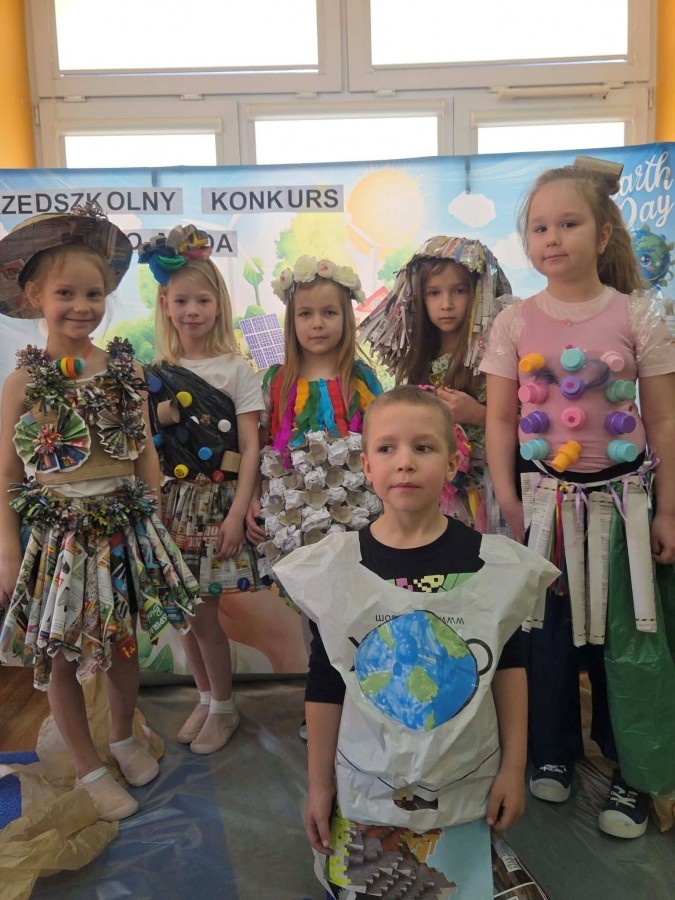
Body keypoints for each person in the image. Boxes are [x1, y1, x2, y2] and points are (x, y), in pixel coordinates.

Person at [273, 386, 558, 897]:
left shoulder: (491, 564)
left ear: (452, 463)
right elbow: (326, 684)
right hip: (366, 786)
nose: (404, 462)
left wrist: (514, 768)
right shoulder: (336, 570)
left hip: (463, 784)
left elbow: (509, 669)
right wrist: (318, 784)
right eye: (387, 448)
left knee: (452, 885)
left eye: (422, 447)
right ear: (366, 464)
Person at [480, 161, 675, 838]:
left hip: (625, 507)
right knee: (546, 635)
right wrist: (508, 501)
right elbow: (499, 419)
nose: (552, 238)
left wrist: (669, 509)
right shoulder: (513, 322)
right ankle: (551, 750)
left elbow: (664, 420)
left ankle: (632, 770)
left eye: (568, 223)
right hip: (543, 507)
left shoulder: (638, 315)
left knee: (628, 640)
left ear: (602, 234)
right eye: (539, 227)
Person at [0, 204, 199, 821]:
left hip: (124, 530)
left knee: (122, 643)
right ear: (35, 297)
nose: (82, 306)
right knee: (61, 655)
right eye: (65, 293)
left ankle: (120, 736)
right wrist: (7, 550)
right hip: (59, 539)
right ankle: (88, 770)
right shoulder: (21, 384)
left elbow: (145, 452)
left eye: (93, 293)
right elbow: (7, 475)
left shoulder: (125, 369)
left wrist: (156, 519)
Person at [140, 225, 265, 754]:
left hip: (217, 503)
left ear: (219, 305)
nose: (192, 311)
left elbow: (252, 448)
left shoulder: (238, 370)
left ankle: (225, 708)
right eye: (182, 301)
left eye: (203, 301)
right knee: (181, 612)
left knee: (204, 613)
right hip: (171, 504)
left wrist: (237, 513)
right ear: (165, 305)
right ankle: (207, 696)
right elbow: (147, 445)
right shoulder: (157, 373)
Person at [245, 254, 383, 581]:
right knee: (300, 597)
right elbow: (260, 445)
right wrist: (252, 498)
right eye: (306, 314)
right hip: (292, 517)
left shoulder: (361, 379)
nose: (317, 323)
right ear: (291, 321)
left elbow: (384, 442)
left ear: (346, 318)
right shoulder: (275, 381)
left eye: (329, 313)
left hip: (356, 514)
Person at [360, 235, 511, 532]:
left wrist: (478, 414)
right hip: (433, 494)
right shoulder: (418, 358)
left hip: (489, 491)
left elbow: (528, 426)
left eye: (459, 291)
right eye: (433, 293)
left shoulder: (497, 353)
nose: (446, 304)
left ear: (479, 293)